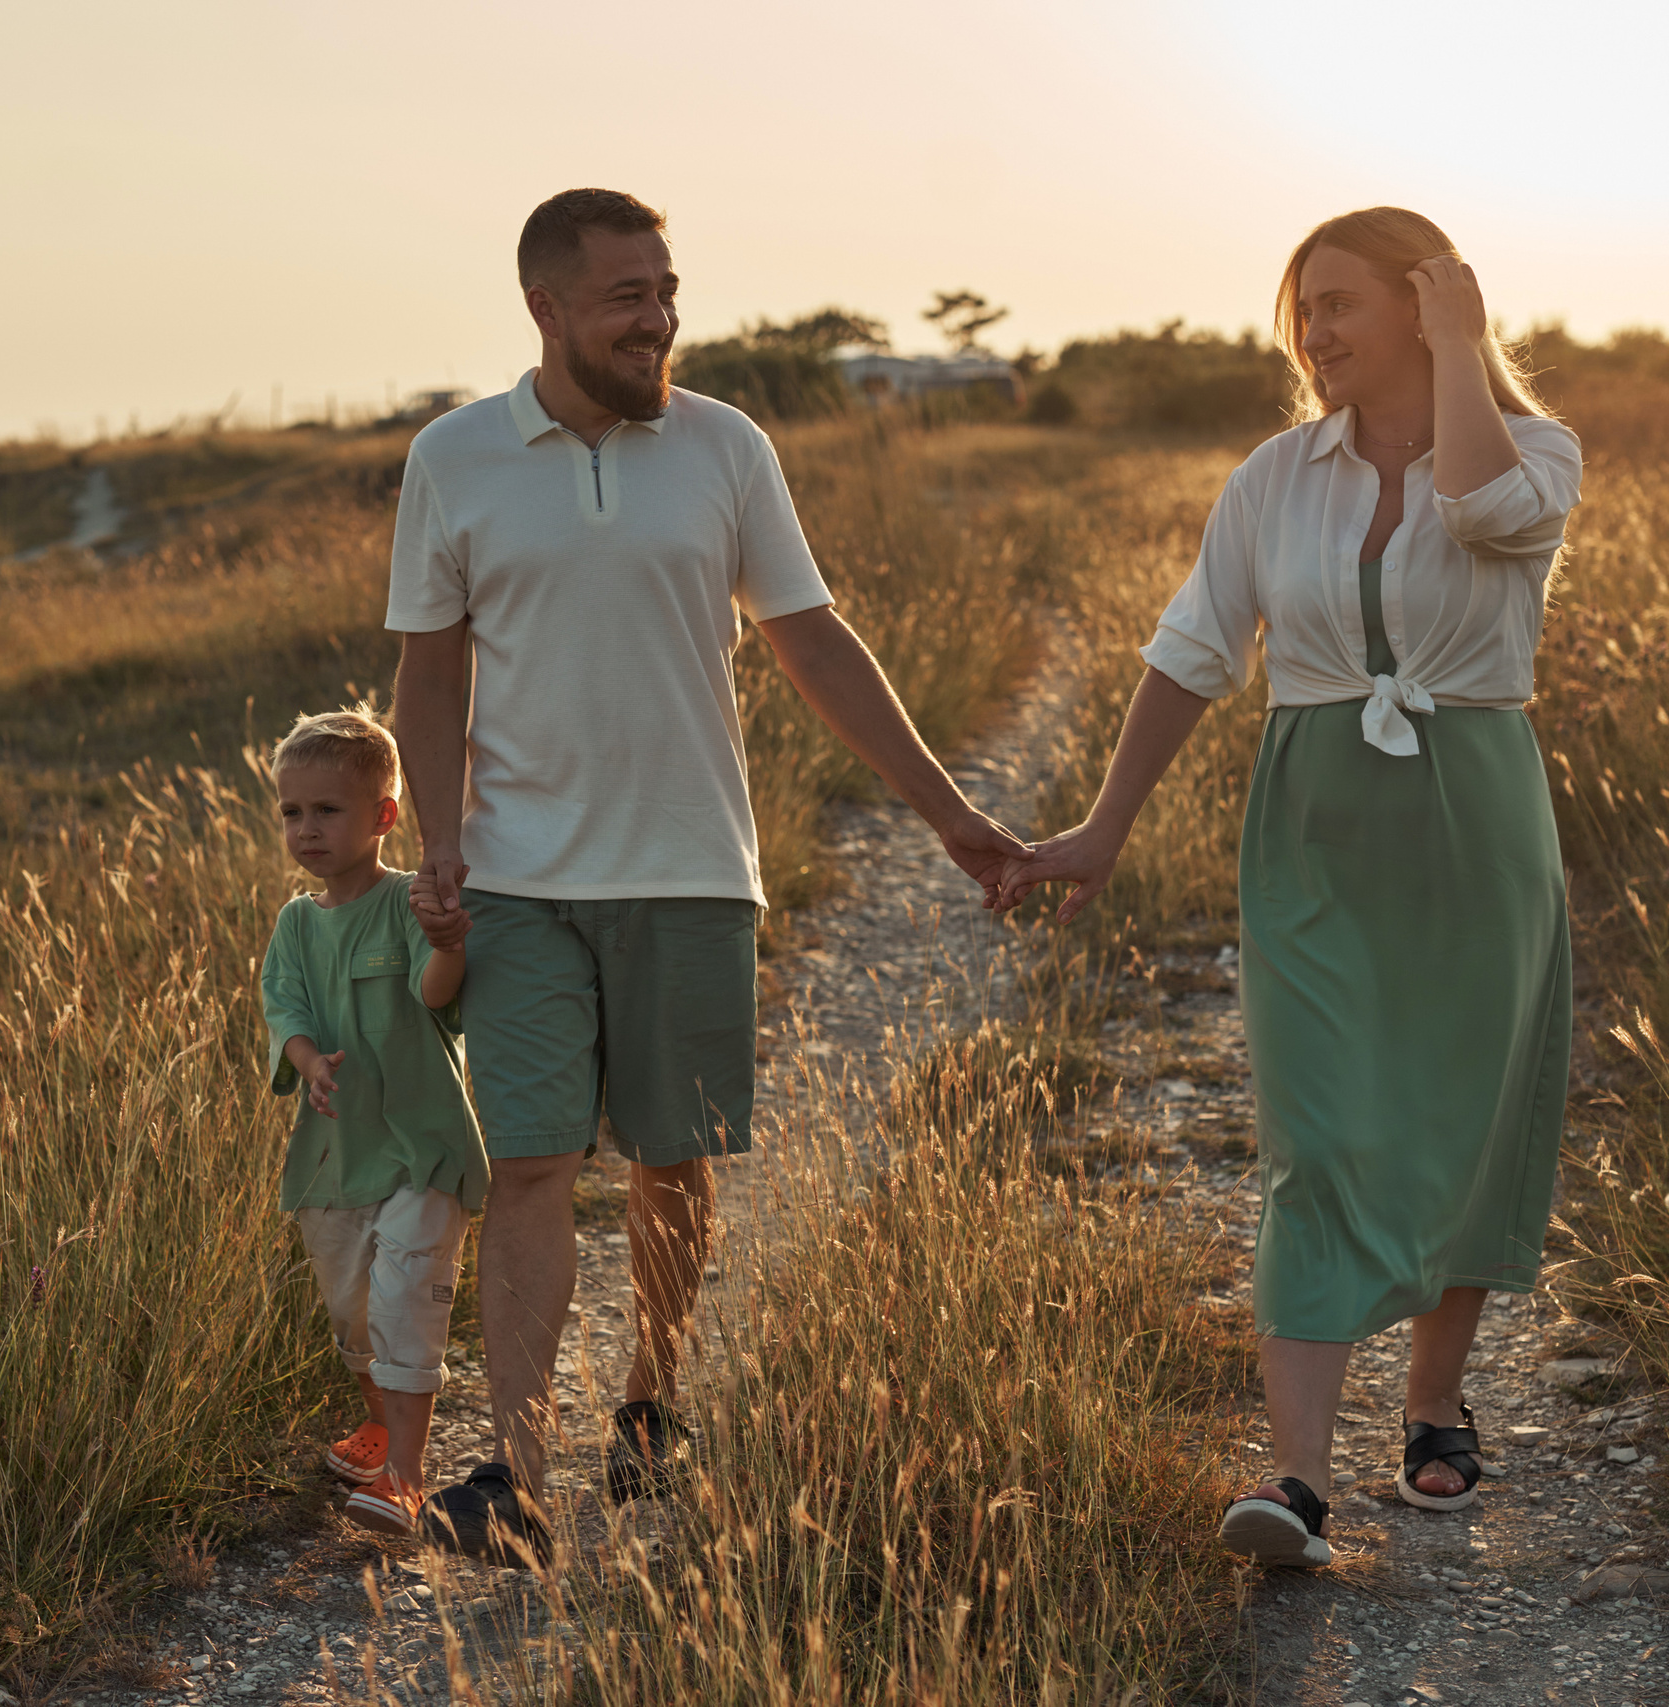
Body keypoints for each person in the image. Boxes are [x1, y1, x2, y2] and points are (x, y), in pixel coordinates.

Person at [389, 187, 1030, 1564]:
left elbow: (815, 642)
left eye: (666, 289)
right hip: (516, 877)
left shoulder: (726, 449)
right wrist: (437, 841)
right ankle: (511, 1470)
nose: (658, 317)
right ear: (546, 307)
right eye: (627, 295)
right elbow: (427, 677)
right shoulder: (453, 457)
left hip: (688, 869)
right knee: (535, 1163)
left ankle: (648, 1396)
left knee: (676, 1165)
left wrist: (950, 811)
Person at [1001, 206, 1581, 1567]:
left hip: (1476, 809)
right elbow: (1196, 647)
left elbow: (1490, 509)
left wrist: (1462, 349)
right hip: (1315, 809)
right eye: (1302, 308)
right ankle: (1300, 1478)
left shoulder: (1534, 450)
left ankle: (1433, 1398)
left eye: (1343, 304)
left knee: (1469, 1111)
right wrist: (1102, 825)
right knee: (1318, 1130)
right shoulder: (1273, 475)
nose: (1314, 332)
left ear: (1428, 305)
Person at [257, 708, 488, 1538]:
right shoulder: (296, 922)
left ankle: (405, 1477)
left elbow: (437, 994)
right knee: (352, 1312)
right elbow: (282, 1003)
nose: (306, 828)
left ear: (384, 815)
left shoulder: (405, 903)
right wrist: (311, 1060)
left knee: (403, 1305)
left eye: (328, 810)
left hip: (419, 1148)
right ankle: (381, 1424)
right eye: (292, 811)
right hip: (333, 1156)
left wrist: (448, 942)